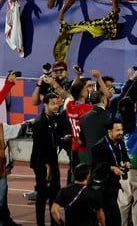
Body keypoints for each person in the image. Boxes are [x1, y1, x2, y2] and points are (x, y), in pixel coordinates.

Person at [31, 93, 70, 226]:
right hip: (42, 163)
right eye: (53, 104)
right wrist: (47, 166)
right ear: (45, 104)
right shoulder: (39, 122)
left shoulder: (54, 119)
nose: (56, 106)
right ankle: (40, 223)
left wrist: (62, 139)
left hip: (52, 161)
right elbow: (40, 146)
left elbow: (55, 138)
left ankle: (54, 222)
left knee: (55, 193)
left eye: (57, 103)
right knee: (42, 195)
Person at [90, 119, 131, 226]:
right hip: (102, 187)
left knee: (114, 217)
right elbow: (95, 168)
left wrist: (127, 161)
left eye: (122, 129)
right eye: (117, 130)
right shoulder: (98, 147)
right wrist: (111, 168)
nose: (121, 132)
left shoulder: (120, 142)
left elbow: (125, 155)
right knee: (108, 218)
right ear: (109, 131)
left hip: (114, 185)